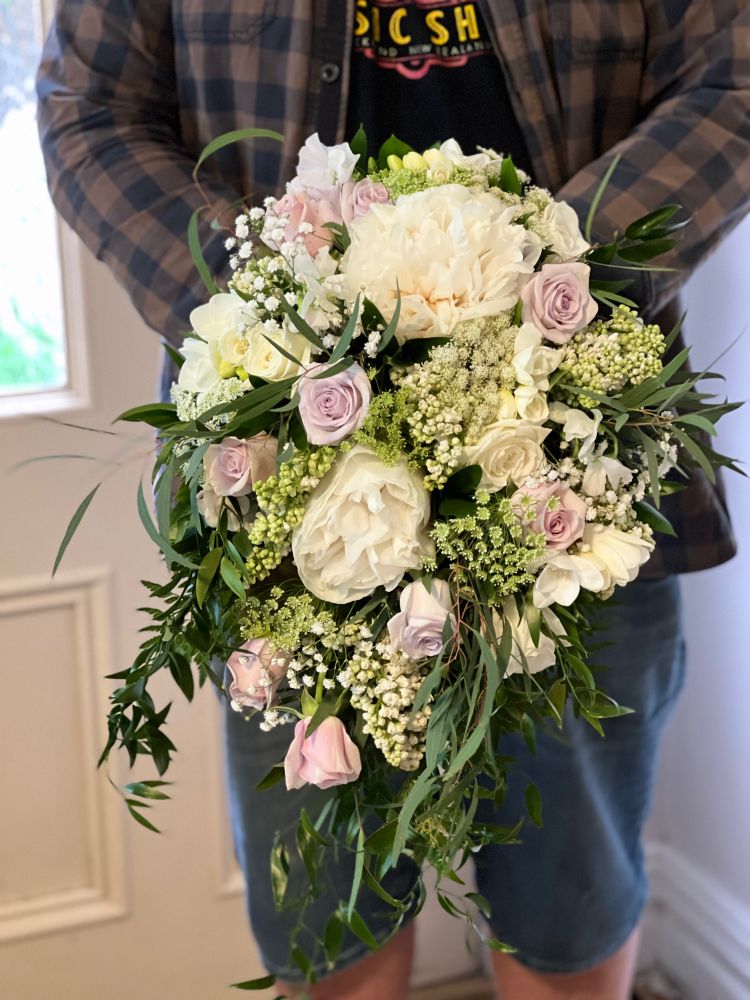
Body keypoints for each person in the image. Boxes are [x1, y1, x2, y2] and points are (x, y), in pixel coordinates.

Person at [37, 3, 747, 998]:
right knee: (328, 921)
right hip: (285, 473)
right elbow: (88, 106)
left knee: (569, 912)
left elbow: (733, 80)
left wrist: (537, 276)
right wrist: (268, 303)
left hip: (577, 476)